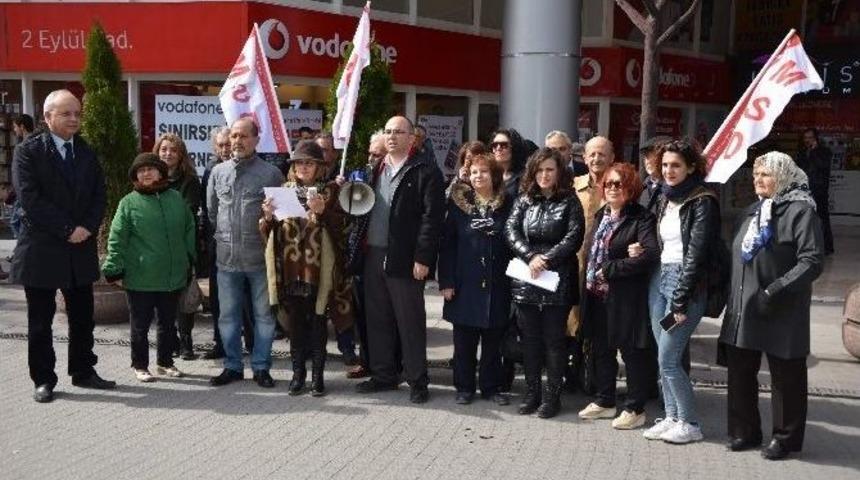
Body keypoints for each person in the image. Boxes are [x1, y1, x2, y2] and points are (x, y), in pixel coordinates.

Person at [10, 89, 115, 403]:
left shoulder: (85, 151)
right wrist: (68, 228)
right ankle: (43, 379)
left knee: (83, 316)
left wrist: (86, 228)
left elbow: (99, 194)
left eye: (77, 114)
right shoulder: (28, 152)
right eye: (66, 113)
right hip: (42, 248)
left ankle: (83, 370)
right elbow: (30, 199)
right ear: (47, 117)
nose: (73, 119)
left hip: (79, 248)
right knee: (40, 322)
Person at [719, 151, 823, 460]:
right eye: (755, 174)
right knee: (740, 373)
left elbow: (812, 261)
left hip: (781, 308)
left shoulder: (801, 212)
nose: (758, 179)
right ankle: (745, 431)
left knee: (786, 378)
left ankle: (785, 438)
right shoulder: (751, 211)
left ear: (784, 175)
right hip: (744, 307)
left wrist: (776, 289)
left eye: (765, 174)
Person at [355, 115, 445, 404]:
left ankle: (417, 380)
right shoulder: (374, 169)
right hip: (374, 254)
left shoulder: (425, 171)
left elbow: (432, 220)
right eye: (388, 131)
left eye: (399, 132)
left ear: (412, 138)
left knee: (410, 322)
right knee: (378, 319)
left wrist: (423, 257)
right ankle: (384, 375)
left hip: (405, 258)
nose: (392, 136)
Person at [642, 139, 720, 444]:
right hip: (660, 279)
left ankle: (690, 423)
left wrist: (680, 299)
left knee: (669, 358)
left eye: (675, 165)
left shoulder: (703, 201)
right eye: (664, 165)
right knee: (662, 353)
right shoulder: (665, 197)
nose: (669, 171)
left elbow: (697, 256)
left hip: (685, 285)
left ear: (690, 167)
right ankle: (672, 416)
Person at [261, 140, 353, 397]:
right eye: (299, 162)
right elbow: (271, 234)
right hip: (291, 269)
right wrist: (267, 218)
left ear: (319, 167)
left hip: (319, 271)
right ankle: (297, 375)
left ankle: (318, 378)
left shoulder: (331, 192)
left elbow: (343, 229)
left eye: (309, 163)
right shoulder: (283, 191)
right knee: (295, 325)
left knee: (319, 324)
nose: (303, 167)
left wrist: (323, 213)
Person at [577, 163, 658, 429]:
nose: (612, 188)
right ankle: (605, 400)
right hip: (597, 294)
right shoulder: (602, 214)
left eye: (619, 184)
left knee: (631, 352)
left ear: (631, 188)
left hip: (625, 297)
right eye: (609, 184)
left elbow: (648, 255)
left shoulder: (641, 218)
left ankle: (635, 408)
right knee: (602, 349)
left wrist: (610, 268)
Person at [505, 147, 584, 418]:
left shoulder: (570, 201)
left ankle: (552, 397)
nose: (544, 175)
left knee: (554, 341)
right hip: (527, 277)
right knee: (530, 340)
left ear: (559, 172)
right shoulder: (524, 199)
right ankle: (531, 393)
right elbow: (511, 230)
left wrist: (546, 259)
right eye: (539, 170)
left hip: (557, 279)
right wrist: (530, 256)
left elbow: (574, 237)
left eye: (550, 169)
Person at [102, 153, 196, 382]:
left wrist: (190, 260)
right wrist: (114, 268)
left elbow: (188, 230)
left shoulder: (175, 198)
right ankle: (140, 365)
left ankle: (165, 362)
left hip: (171, 275)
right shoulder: (128, 202)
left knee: (167, 324)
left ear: (161, 172)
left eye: (150, 169)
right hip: (140, 277)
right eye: (140, 171)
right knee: (140, 326)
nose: (145, 173)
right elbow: (117, 237)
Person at [206, 117, 284, 388]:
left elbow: (279, 218)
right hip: (226, 260)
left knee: (264, 317)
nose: (237, 141)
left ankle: (262, 367)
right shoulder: (218, 172)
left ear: (255, 139)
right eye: (234, 136)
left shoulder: (271, 174)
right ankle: (233, 366)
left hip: (260, 259)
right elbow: (212, 212)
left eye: (243, 136)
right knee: (228, 317)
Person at [438, 152, 513, 406]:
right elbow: (447, 245)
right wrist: (446, 281)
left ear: (494, 175)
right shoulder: (458, 206)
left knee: (493, 343)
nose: (478, 176)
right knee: (464, 342)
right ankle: (464, 387)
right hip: (464, 282)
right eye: (473, 172)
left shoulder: (508, 203)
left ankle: (491, 387)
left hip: (497, 283)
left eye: (483, 171)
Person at [200, 127, 256, 360]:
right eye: (221, 145)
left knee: (248, 299)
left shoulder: (255, 170)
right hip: (220, 245)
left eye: (228, 143)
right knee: (219, 298)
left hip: (248, 248)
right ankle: (220, 343)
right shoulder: (211, 171)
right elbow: (209, 209)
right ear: (215, 148)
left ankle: (253, 345)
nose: (226, 148)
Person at [152, 133, 202, 360]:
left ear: (180, 154)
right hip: (156, 248)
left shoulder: (190, 180)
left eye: (173, 150)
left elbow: (188, 212)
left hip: (182, 245)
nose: (167, 154)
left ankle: (186, 341)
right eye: (163, 149)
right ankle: (168, 339)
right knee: (163, 297)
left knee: (184, 297)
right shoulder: (149, 178)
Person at [795, 128, 833, 255]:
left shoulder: (824, 152)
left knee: (822, 218)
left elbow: (823, 165)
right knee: (805, 219)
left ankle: (827, 247)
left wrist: (814, 151)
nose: (807, 140)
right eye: (805, 137)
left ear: (816, 138)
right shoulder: (802, 152)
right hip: (804, 190)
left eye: (810, 137)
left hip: (819, 190)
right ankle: (808, 246)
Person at [490, 128, 529, 199]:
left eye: (503, 145)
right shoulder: (487, 173)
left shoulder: (524, 176)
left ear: (514, 148)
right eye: (495, 145)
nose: (498, 148)